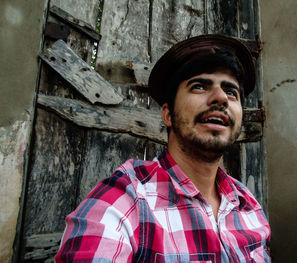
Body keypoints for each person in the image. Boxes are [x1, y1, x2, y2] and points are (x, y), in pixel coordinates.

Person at [55, 34, 271, 262]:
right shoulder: (126, 199)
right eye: (199, 86)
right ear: (168, 114)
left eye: (231, 92)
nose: (220, 98)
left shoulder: (248, 204)